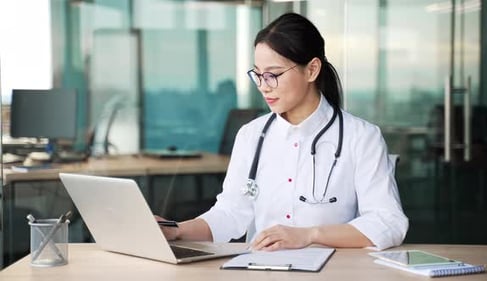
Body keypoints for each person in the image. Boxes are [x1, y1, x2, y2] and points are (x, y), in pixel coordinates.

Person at [158, 12, 408, 251]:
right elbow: (231, 213)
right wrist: (177, 230)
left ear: (311, 69)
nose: (264, 87)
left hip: (332, 270)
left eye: (273, 75)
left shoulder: (362, 137)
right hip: (262, 269)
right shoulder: (251, 135)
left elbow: (388, 221)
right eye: (258, 75)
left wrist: (309, 235)